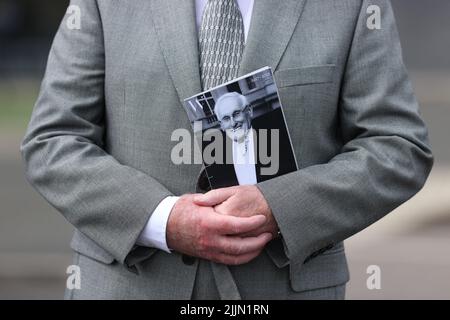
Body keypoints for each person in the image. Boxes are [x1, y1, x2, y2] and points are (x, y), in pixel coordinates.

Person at [21, 0, 433, 300]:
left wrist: (279, 208)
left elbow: (398, 146)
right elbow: (54, 141)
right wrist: (162, 220)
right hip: (128, 286)